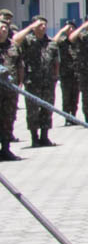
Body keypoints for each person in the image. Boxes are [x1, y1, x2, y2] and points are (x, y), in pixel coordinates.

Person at [15, 17, 56, 147]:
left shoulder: (51, 42)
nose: (43, 27)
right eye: (40, 25)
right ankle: (34, 138)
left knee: (47, 109)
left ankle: (45, 137)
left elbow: (56, 62)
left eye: (45, 25)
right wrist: (29, 28)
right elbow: (15, 40)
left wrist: (55, 77)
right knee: (32, 110)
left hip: (48, 81)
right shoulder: (27, 41)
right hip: (32, 81)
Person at [51, 22, 79, 123]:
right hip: (65, 73)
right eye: (68, 28)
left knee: (75, 97)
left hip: (76, 73)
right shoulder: (62, 41)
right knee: (66, 97)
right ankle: (67, 118)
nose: (70, 30)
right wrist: (62, 31)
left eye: (72, 28)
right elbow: (53, 42)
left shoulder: (78, 40)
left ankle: (74, 117)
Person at [0, 18, 19, 160]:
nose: (3, 30)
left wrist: (20, 82)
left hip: (9, 91)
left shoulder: (13, 46)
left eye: (5, 28)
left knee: (8, 119)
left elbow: (20, 65)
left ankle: (6, 149)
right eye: (1, 28)